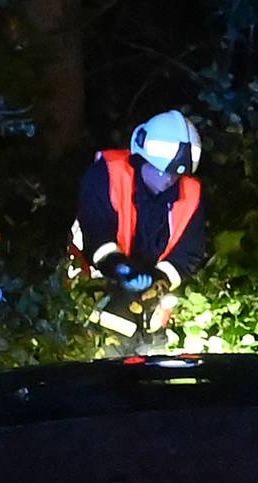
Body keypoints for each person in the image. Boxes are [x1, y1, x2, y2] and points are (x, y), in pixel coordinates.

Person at [69, 109, 210, 340]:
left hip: (149, 293)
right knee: (100, 336)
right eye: (161, 171)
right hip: (91, 278)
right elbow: (97, 236)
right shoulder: (105, 176)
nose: (167, 181)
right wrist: (121, 269)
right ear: (142, 158)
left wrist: (157, 281)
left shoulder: (191, 194)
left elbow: (187, 254)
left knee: (152, 344)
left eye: (174, 175)